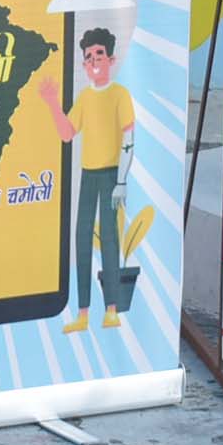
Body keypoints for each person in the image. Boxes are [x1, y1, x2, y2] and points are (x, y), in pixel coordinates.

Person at [37, 26, 135, 332]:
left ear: (111, 59)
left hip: (110, 174)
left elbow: (129, 140)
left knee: (109, 238)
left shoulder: (120, 95)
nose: (94, 60)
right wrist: (52, 103)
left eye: (99, 54)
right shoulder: (85, 97)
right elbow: (67, 133)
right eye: (89, 56)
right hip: (88, 174)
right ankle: (83, 312)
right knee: (81, 238)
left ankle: (112, 309)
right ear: (84, 63)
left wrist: (121, 180)